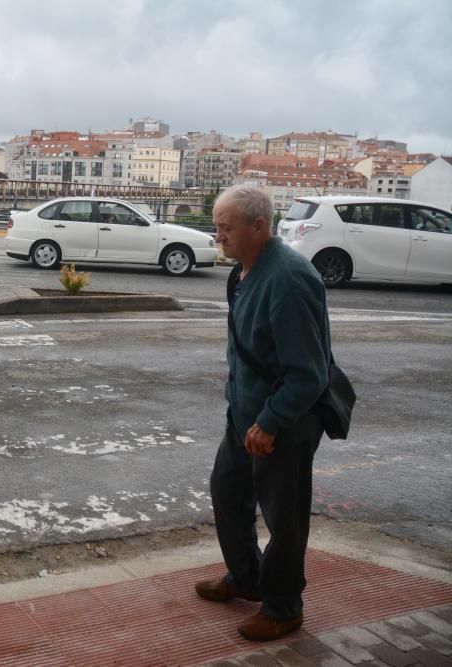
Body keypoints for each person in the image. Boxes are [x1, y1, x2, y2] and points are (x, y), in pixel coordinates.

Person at [195, 185, 332, 642]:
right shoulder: (244, 271)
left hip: (283, 422)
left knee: (284, 519)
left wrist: (270, 421)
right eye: (216, 226)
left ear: (259, 226)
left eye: (226, 227)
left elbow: (309, 373)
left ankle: (282, 606)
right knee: (227, 490)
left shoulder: (288, 279)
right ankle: (246, 577)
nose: (218, 236)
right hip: (244, 415)